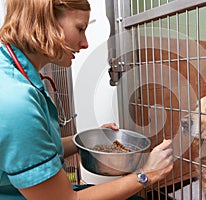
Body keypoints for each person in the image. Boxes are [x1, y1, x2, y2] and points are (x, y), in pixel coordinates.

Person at [0, 0, 174, 199]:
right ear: (46, 19)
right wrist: (147, 174)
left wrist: (86, 140)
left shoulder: (14, 70)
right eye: (80, 28)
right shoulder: (15, 101)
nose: (85, 43)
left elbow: (37, 147)